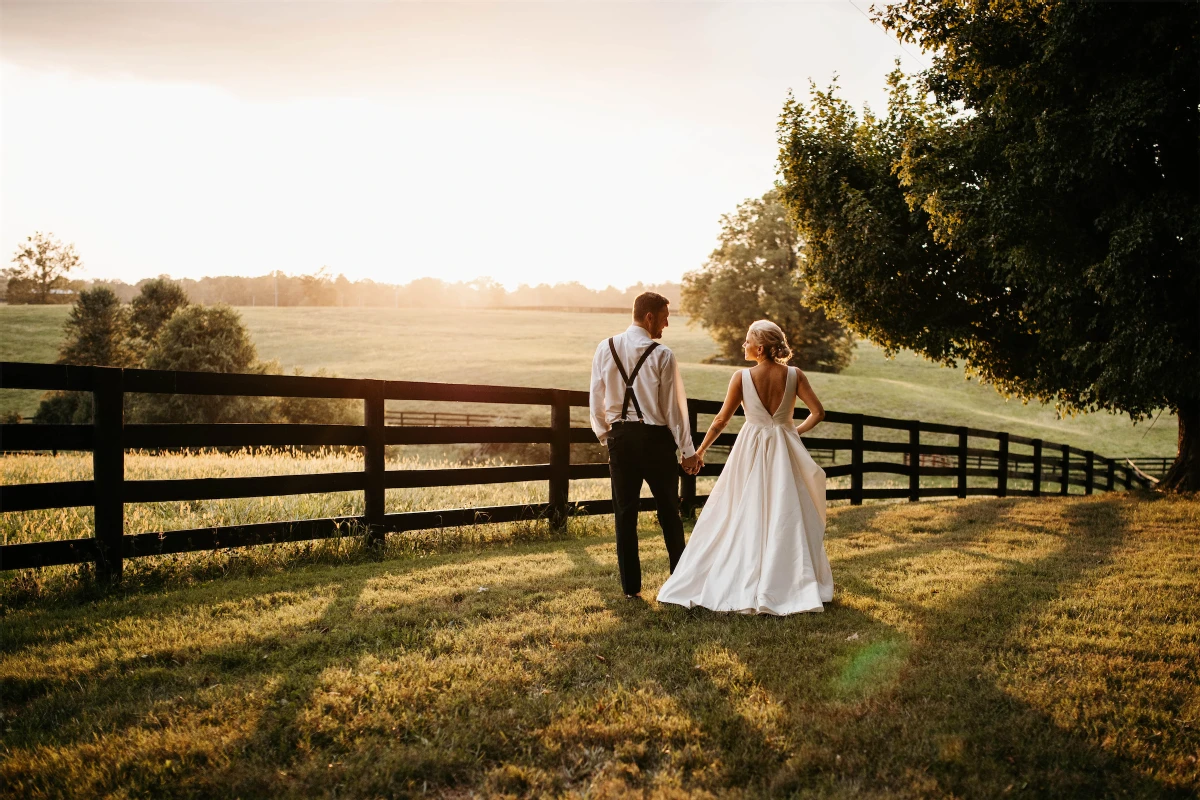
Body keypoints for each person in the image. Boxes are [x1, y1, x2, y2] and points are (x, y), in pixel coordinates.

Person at [656, 319, 834, 615]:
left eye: (747, 340)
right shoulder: (795, 374)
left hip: (750, 448)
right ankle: (790, 579)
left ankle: (743, 573)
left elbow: (721, 421)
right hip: (783, 449)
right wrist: (792, 432)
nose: (744, 345)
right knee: (785, 509)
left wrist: (699, 452)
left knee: (740, 506)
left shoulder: (741, 377)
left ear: (760, 347)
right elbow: (819, 412)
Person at [590, 292, 702, 599]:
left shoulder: (605, 347)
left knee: (624, 513)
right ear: (649, 317)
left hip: (620, 440)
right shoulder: (663, 354)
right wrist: (688, 451)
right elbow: (674, 410)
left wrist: (606, 435)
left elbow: (595, 397)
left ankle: (631, 588)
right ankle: (679, 584)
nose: (666, 325)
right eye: (665, 318)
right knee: (669, 511)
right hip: (655, 440)